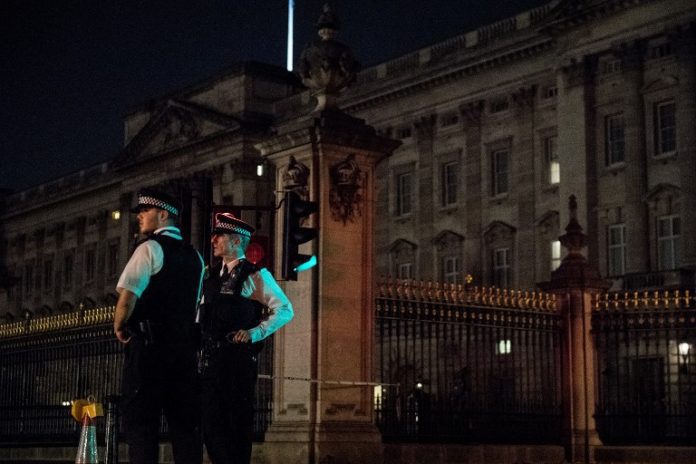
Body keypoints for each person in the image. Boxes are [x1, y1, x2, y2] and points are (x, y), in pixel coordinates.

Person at [113, 188, 205, 464]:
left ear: (163, 214)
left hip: (149, 349)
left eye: (145, 211)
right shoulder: (196, 256)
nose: (139, 216)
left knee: (141, 423)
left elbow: (127, 296)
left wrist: (120, 326)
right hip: (183, 351)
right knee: (185, 427)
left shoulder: (149, 248)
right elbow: (197, 305)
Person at [199, 211, 293, 464]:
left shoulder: (254, 275)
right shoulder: (210, 277)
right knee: (210, 425)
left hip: (237, 361)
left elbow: (285, 309)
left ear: (237, 241)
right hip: (211, 360)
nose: (214, 240)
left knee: (235, 426)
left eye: (220, 236)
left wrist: (254, 333)